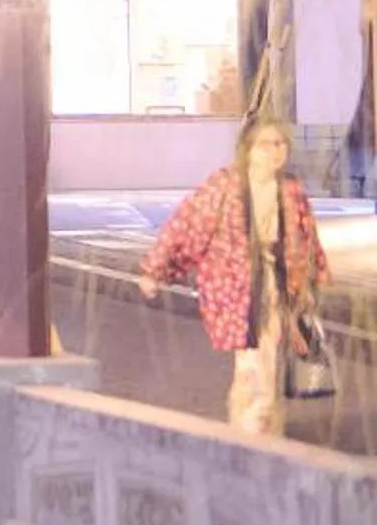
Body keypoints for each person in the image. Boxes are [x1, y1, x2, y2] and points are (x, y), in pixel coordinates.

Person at [140, 116, 329, 437]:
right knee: (254, 359)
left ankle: (257, 426)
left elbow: (306, 235)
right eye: (266, 145)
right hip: (236, 287)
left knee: (266, 358)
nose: (275, 151)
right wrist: (155, 270)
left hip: (278, 284)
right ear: (248, 149)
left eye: (280, 144)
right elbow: (186, 227)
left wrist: (314, 277)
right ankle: (254, 429)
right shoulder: (224, 186)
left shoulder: (290, 188)